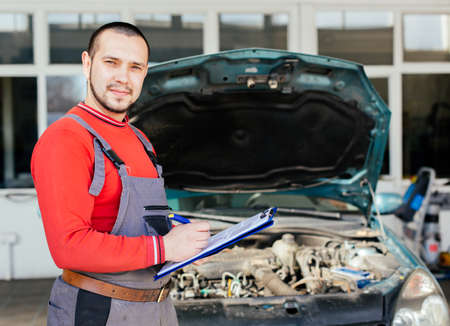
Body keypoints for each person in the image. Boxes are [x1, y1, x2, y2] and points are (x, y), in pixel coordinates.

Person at [31, 22, 210, 325]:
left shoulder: (141, 141)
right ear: (87, 64)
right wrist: (164, 247)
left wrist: (184, 244)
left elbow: (141, 224)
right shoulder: (66, 140)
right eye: (111, 62)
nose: (123, 78)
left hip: (157, 309)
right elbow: (68, 247)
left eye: (135, 67)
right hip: (98, 310)